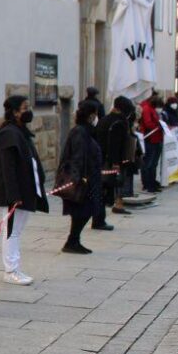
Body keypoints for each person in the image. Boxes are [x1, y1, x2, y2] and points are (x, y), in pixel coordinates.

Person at [0, 96, 49, 285]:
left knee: (16, 231)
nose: (28, 111)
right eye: (24, 108)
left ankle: (15, 268)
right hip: (16, 194)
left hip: (25, 191)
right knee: (11, 232)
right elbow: (8, 168)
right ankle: (11, 270)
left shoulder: (19, 132)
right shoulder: (9, 134)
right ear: (15, 112)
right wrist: (14, 196)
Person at [56, 101, 105, 253]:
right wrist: (79, 178)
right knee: (83, 210)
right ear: (91, 116)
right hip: (83, 180)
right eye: (95, 115)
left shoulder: (87, 131)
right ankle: (72, 241)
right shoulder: (80, 132)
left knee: (86, 210)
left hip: (90, 178)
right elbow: (77, 156)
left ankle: (73, 240)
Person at [97, 96, 136, 219]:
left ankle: (104, 207)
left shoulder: (104, 119)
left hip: (102, 156)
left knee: (104, 184)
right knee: (115, 182)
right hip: (114, 159)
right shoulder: (120, 122)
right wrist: (116, 162)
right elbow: (115, 144)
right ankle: (116, 204)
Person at [138, 92, 165, 193]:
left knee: (153, 163)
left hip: (156, 138)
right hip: (150, 139)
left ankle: (152, 182)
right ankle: (148, 184)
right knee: (149, 163)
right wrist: (158, 126)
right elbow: (148, 124)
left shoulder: (152, 109)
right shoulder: (146, 109)